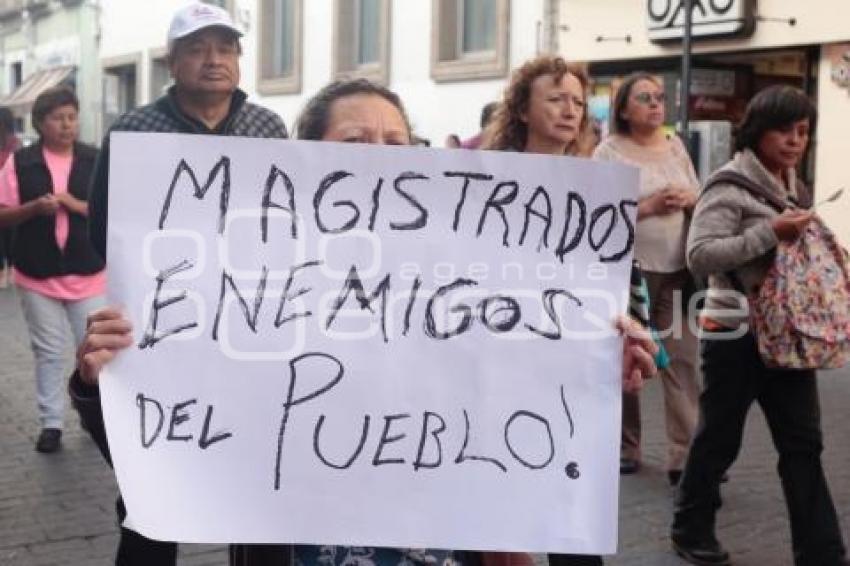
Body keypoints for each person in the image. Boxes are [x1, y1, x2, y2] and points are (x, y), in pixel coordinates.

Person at [78, 76, 656, 565]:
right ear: (307, 159)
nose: (382, 153)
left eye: (397, 141)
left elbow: (538, 410)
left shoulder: (476, 267)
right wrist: (98, 379)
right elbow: (166, 442)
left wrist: (600, 365)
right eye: (355, 140)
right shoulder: (249, 280)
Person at [67, 3, 287, 565]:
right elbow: (105, 229)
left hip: (249, 326)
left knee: (259, 479)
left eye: (226, 47)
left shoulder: (269, 126)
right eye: (197, 48)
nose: (214, 60)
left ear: (239, 58)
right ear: (174, 61)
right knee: (152, 487)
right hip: (161, 326)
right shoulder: (136, 130)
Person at [671, 85, 849, 566]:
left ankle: (822, 551)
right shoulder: (729, 185)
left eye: (803, 132)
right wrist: (769, 231)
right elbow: (700, 255)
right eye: (784, 130)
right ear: (757, 130)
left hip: (788, 333)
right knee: (719, 437)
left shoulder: (790, 183)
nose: (795, 141)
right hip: (735, 331)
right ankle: (690, 527)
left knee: (803, 444)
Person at [482, 54, 619, 566]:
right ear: (520, 108)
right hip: (499, 357)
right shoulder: (484, 179)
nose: (570, 111)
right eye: (556, 98)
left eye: (578, 103)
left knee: (571, 502)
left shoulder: (595, 185)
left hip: (569, 362)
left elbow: (612, 275)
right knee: (501, 505)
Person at [592, 72, 700, 485]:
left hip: (677, 271)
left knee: (682, 360)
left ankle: (685, 454)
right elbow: (597, 214)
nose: (656, 104)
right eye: (645, 98)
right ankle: (626, 446)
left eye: (659, 97)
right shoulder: (608, 152)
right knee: (627, 360)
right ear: (623, 108)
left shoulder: (675, 147)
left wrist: (689, 199)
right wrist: (649, 206)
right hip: (628, 273)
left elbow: (699, 193)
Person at [0, 87, 104, 454]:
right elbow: (3, 213)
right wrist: (32, 209)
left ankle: (97, 417)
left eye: (72, 117)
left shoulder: (94, 158)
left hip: (89, 272)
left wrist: (75, 204)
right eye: (58, 118)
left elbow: (115, 208)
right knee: (48, 351)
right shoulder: (21, 161)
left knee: (93, 349)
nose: (66, 125)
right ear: (41, 123)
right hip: (37, 272)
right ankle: (51, 423)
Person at [0, 106, 19, 289]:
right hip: (10, 192)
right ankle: (11, 269)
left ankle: (4, 272)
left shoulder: (11, 142)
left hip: (5, 191)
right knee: (10, 232)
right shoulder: (14, 142)